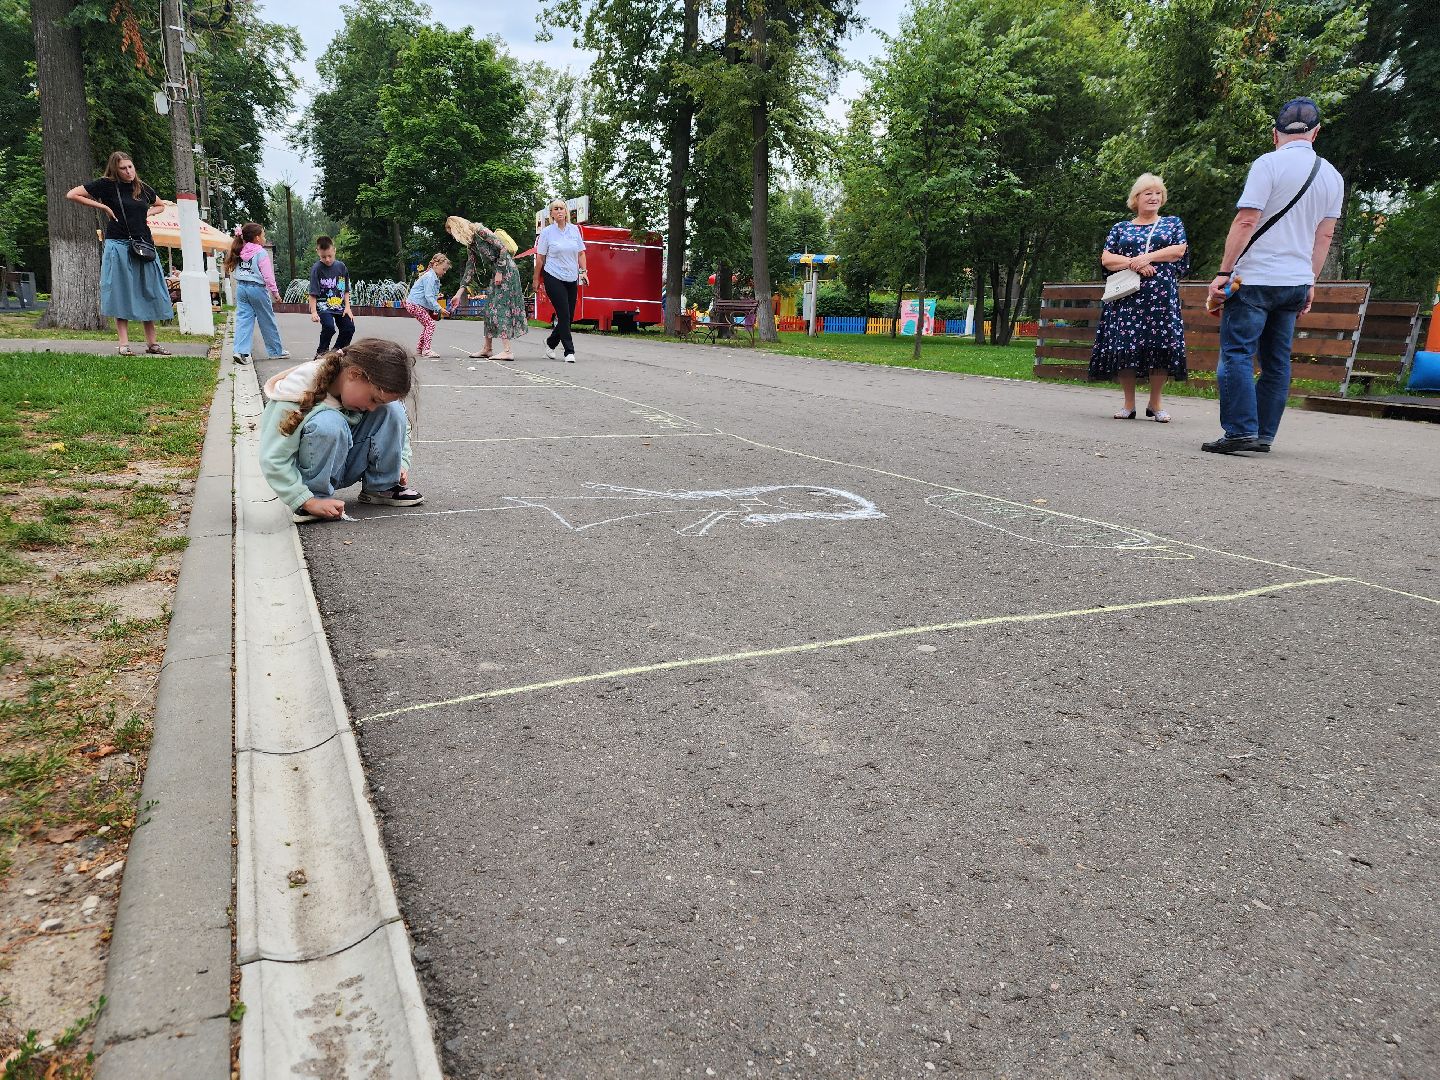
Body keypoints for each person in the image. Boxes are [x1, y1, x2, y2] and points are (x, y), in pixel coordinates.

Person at [1203, 97, 1343, 455]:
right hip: (1294, 282)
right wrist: (1310, 281)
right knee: (1277, 362)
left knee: (1236, 353)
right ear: (1316, 133)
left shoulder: (1268, 164)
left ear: (1275, 134)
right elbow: (1323, 236)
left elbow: (1247, 220)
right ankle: (1263, 435)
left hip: (1255, 280)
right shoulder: (1331, 176)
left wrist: (1223, 272)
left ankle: (1239, 432)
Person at [258, 338, 424, 524]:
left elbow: (401, 425)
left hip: (346, 462)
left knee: (392, 410)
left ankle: (381, 486)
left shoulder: (358, 388)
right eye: (373, 399)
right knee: (328, 423)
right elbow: (273, 457)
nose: (371, 408)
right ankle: (316, 499)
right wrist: (303, 499)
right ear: (354, 373)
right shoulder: (296, 392)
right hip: (308, 474)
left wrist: (400, 461)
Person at [1089, 173, 1190, 422]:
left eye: (1158, 193)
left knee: (1160, 346)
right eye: (1148, 193)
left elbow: (1178, 250)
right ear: (1136, 198)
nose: (1154, 197)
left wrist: (1149, 257)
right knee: (1126, 346)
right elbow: (1107, 259)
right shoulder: (1120, 228)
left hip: (1160, 298)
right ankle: (1128, 404)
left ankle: (1155, 404)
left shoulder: (1172, 223)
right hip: (1127, 298)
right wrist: (1135, 263)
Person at [65, 151, 173, 356]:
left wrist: (147, 212)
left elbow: (160, 205)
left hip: (144, 244)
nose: (128, 171)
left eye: (130, 167)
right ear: (116, 169)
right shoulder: (105, 185)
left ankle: (152, 344)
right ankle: (124, 344)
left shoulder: (141, 187)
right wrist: (103, 206)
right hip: (118, 244)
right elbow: (72, 194)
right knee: (120, 291)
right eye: (123, 168)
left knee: (148, 291)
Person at [445, 216, 527, 361]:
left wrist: (500, 271)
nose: (453, 237)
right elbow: (470, 268)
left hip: (506, 271)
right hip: (498, 272)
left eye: (452, 233)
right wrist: (459, 292)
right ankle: (487, 348)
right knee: (489, 309)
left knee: (500, 308)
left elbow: (502, 247)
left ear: (457, 228)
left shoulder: (480, 231)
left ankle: (507, 351)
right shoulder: (471, 243)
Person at [225, 223, 289, 365]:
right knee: (266, 319)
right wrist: (276, 293)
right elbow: (268, 277)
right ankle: (275, 351)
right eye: (263, 235)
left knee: (243, 319)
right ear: (257, 238)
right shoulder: (260, 253)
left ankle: (240, 351)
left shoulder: (239, 250)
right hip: (257, 289)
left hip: (241, 288)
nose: (264, 237)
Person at [533, 198, 588, 363]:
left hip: (571, 277)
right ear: (551, 213)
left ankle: (550, 343)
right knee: (563, 313)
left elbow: (581, 253)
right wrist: (536, 279)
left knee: (569, 316)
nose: (559, 211)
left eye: (561, 208)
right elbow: (540, 258)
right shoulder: (547, 232)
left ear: (566, 212)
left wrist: (584, 272)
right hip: (553, 275)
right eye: (555, 209)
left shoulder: (574, 230)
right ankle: (569, 351)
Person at [307, 236, 354, 359]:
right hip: (323, 306)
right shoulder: (317, 269)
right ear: (318, 252)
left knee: (349, 328)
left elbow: (345, 289)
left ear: (334, 250)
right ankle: (321, 352)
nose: (327, 260)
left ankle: (336, 352)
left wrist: (347, 307)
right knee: (329, 327)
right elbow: (312, 293)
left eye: (329, 256)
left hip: (339, 305)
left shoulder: (341, 267)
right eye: (323, 257)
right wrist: (313, 312)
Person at [405, 254, 450, 357]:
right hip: (415, 304)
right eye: (444, 269)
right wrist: (439, 308)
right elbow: (428, 296)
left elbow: (428, 294)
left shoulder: (432, 276)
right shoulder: (430, 277)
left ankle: (420, 348)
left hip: (414, 304)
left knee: (427, 324)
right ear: (436, 265)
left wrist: (437, 297)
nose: (445, 272)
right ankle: (426, 349)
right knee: (430, 324)